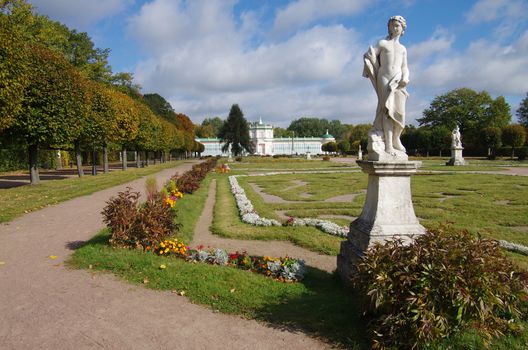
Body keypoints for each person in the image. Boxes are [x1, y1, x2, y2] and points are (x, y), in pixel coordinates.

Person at [363, 15, 409, 156]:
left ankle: (396, 138)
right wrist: (370, 60)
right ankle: (388, 145)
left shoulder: (403, 49)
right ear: (388, 27)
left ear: (402, 29)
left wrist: (406, 77)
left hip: (398, 80)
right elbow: (369, 55)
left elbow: (405, 67)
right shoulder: (383, 43)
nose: (395, 28)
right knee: (387, 111)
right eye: (392, 25)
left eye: (397, 25)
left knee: (400, 112)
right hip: (384, 78)